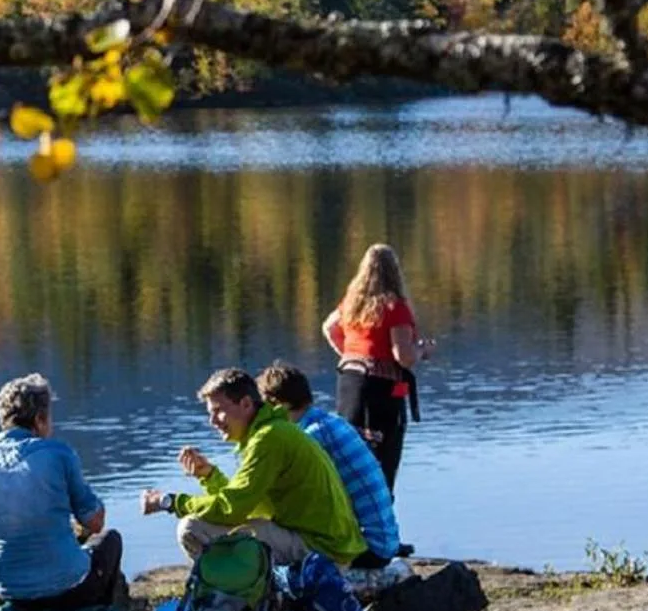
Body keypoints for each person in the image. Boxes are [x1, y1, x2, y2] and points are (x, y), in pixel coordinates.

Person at [141, 367, 366, 567]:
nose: (213, 421)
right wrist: (209, 476)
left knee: (191, 528)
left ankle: (235, 597)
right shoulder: (269, 432)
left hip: (324, 550)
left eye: (218, 410)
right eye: (209, 413)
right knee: (221, 526)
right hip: (326, 543)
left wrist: (168, 502)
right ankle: (253, 592)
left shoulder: (268, 439)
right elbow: (248, 504)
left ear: (246, 404)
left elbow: (231, 509)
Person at [0, 373, 123, 611]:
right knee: (110, 540)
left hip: (5, 594)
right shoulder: (59, 453)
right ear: (40, 419)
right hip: (70, 591)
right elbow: (95, 522)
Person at [256, 361, 402, 569]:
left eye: (263, 407)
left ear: (279, 405)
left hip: (364, 547)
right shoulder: (329, 422)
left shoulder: (310, 437)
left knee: (260, 534)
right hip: (383, 542)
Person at [322, 243, 431, 493]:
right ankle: (380, 520)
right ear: (395, 272)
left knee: (348, 453)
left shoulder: (351, 303)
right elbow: (403, 357)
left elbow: (329, 327)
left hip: (349, 383)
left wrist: (350, 354)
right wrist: (422, 350)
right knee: (381, 462)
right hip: (381, 390)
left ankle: (346, 517)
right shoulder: (395, 308)